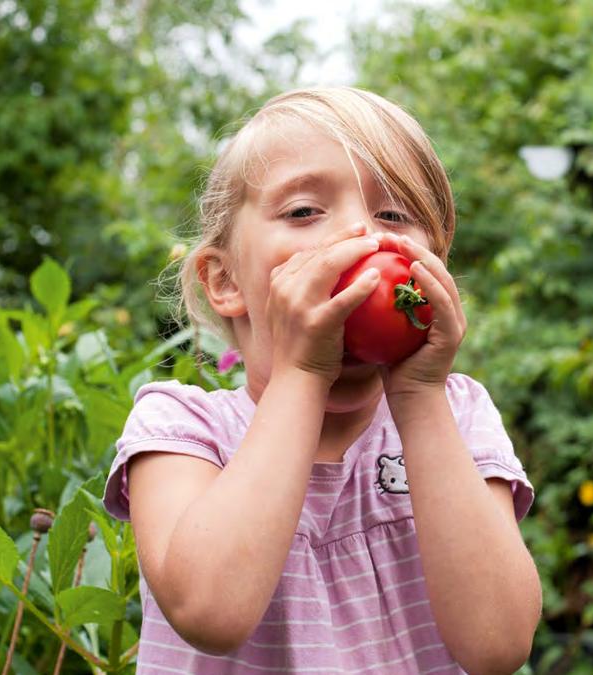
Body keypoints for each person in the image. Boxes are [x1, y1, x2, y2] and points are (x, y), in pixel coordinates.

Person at [102, 86, 541, 674]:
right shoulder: (182, 428)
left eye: (394, 215)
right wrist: (303, 373)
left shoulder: (457, 418)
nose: (362, 235)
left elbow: (498, 645)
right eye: (304, 211)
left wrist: (417, 395)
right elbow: (210, 611)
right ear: (225, 280)